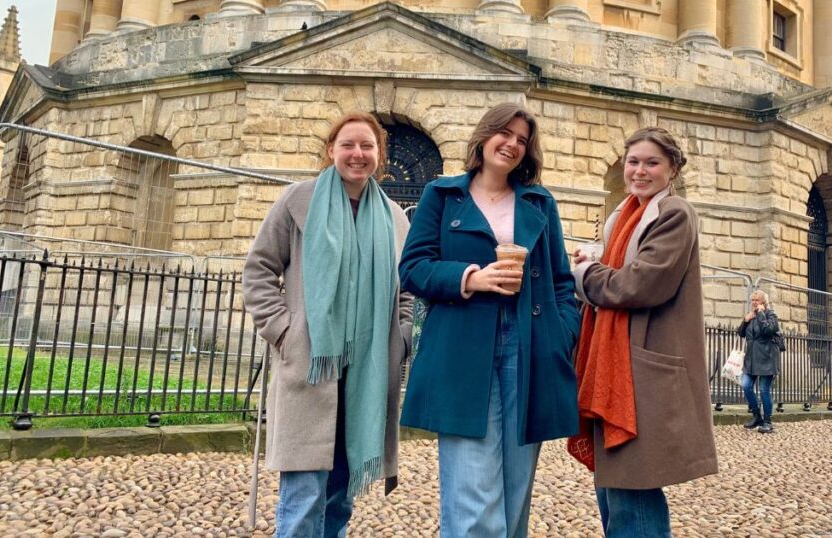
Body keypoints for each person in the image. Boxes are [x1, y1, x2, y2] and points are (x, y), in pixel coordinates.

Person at [398, 103, 580, 537]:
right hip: (462, 350)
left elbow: (560, 281)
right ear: (484, 137)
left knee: (516, 491)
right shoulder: (442, 195)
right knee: (472, 492)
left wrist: (561, 335)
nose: (513, 144)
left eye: (523, 140)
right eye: (506, 133)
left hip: (530, 347)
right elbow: (413, 267)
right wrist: (470, 277)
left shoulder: (539, 201)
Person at [243, 113, 412, 537]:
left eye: (367, 146)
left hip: (365, 377)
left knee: (339, 498)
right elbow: (259, 270)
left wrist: (402, 337)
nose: (358, 154)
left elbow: (405, 290)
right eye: (348, 145)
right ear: (331, 150)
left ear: (380, 155)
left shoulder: (394, 218)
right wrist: (285, 331)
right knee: (303, 498)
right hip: (310, 367)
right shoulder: (297, 200)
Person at [570, 127, 718, 537]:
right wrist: (599, 259)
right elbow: (623, 270)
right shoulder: (624, 215)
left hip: (639, 370)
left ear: (672, 168)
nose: (639, 171)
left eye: (652, 162)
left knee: (631, 489)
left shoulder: (675, 213)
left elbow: (638, 285)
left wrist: (585, 271)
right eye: (633, 161)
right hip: (615, 364)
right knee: (615, 489)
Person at [737, 290, 781, 434]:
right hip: (751, 359)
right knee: (746, 385)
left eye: (757, 300)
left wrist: (761, 314)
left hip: (767, 359)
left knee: (763, 390)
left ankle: (767, 421)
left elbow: (769, 330)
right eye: (753, 300)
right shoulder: (752, 316)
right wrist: (745, 320)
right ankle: (757, 416)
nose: (754, 302)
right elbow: (741, 333)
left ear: (763, 302)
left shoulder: (770, 315)